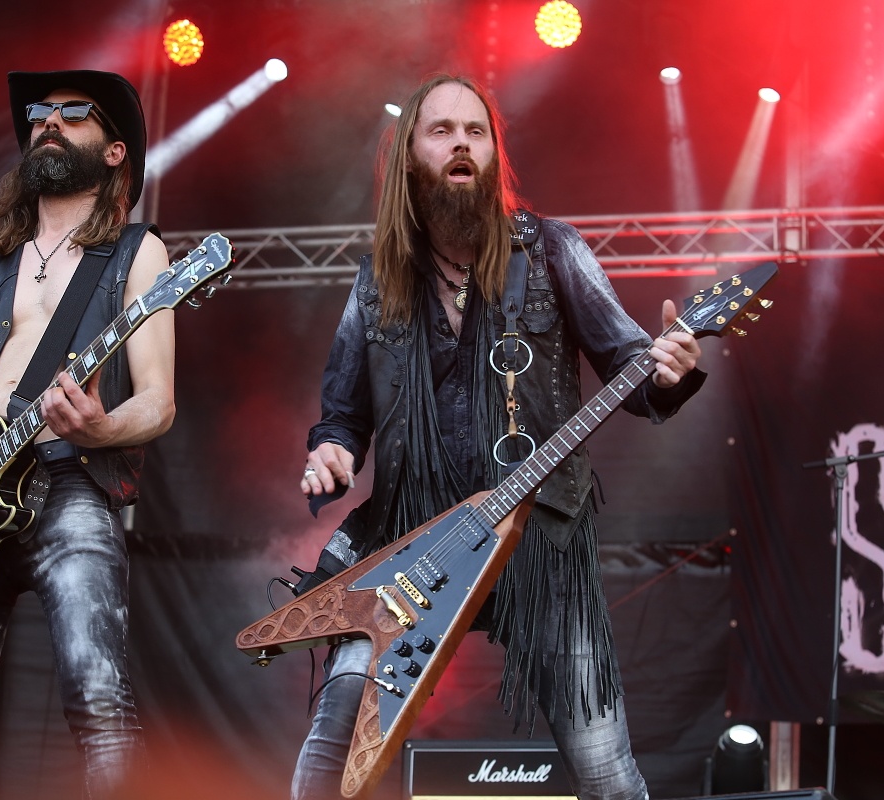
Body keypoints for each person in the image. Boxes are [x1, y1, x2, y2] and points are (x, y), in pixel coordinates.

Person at [291, 74, 705, 800]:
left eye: (475, 132)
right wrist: (332, 452)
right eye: (442, 130)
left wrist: (668, 371)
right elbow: (343, 417)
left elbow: (630, 367)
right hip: (413, 543)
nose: (461, 143)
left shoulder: (552, 251)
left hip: (538, 541)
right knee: (331, 752)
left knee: (607, 774)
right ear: (410, 156)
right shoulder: (377, 280)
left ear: (491, 154)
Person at [0, 69, 174, 800]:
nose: (49, 120)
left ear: (114, 151)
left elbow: (159, 402)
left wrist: (102, 426)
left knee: (100, 702)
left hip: (69, 484)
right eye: (40, 112)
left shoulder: (137, 252)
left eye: (74, 113)